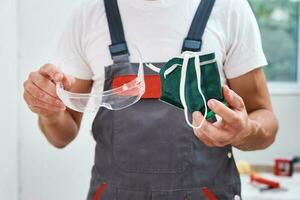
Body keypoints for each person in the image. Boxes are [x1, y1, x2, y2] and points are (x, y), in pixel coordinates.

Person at [23, 0, 279, 199]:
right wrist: (49, 109)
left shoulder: (227, 8)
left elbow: (266, 121)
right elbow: (61, 135)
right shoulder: (91, 13)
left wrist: (244, 130)